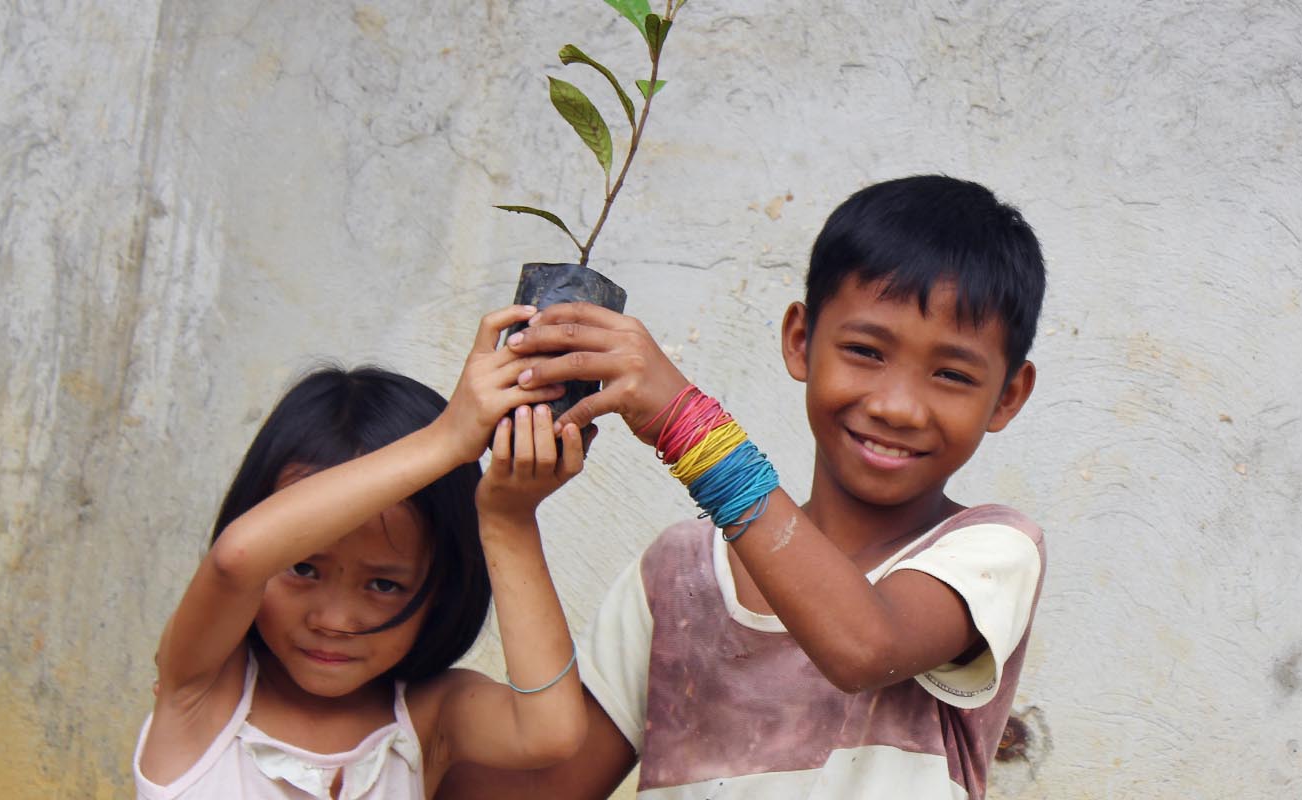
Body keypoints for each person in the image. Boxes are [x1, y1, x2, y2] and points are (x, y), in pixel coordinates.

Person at [444, 175, 1047, 799]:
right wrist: (506, 520)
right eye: (866, 351)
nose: (898, 406)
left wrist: (684, 421)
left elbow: (865, 646)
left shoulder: (990, 551)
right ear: (800, 341)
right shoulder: (678, 574)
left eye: (950, 373)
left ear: (1008, 396)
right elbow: (545, 790)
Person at [135, 306, 597, 798]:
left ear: (441, 589)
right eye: (303, 567)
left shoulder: (427, 720)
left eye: (383, 585)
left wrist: (509, 521)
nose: (334, 619)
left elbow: (553, 731)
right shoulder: (202, 689)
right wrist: (448, 439)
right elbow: (237, 559)